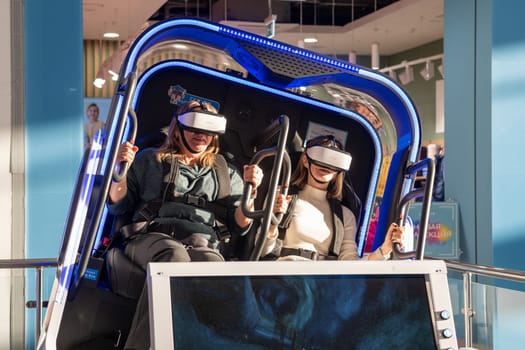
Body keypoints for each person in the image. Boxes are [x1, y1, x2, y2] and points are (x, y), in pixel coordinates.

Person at [108, 100, 264, 350]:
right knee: (174, 259)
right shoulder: (151, 160)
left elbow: (240, 226)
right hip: (152, 236)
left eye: (207, 130)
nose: (201, 136)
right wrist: (120, 168)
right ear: (178, 129)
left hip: (203, 243)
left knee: (217, 272)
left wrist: (251, 192)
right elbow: (118, 204)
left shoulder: (226, 173)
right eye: (194, 128)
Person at [261, 134, 403, 261]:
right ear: (305, 160)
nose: (326, 165)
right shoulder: (283, 196)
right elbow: (262, 250)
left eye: (334, 160)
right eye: (321, 155)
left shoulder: (344, 215)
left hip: (320, 285)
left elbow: (350, 267)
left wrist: (384, 250)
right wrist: (273, 222)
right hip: (282, 279)